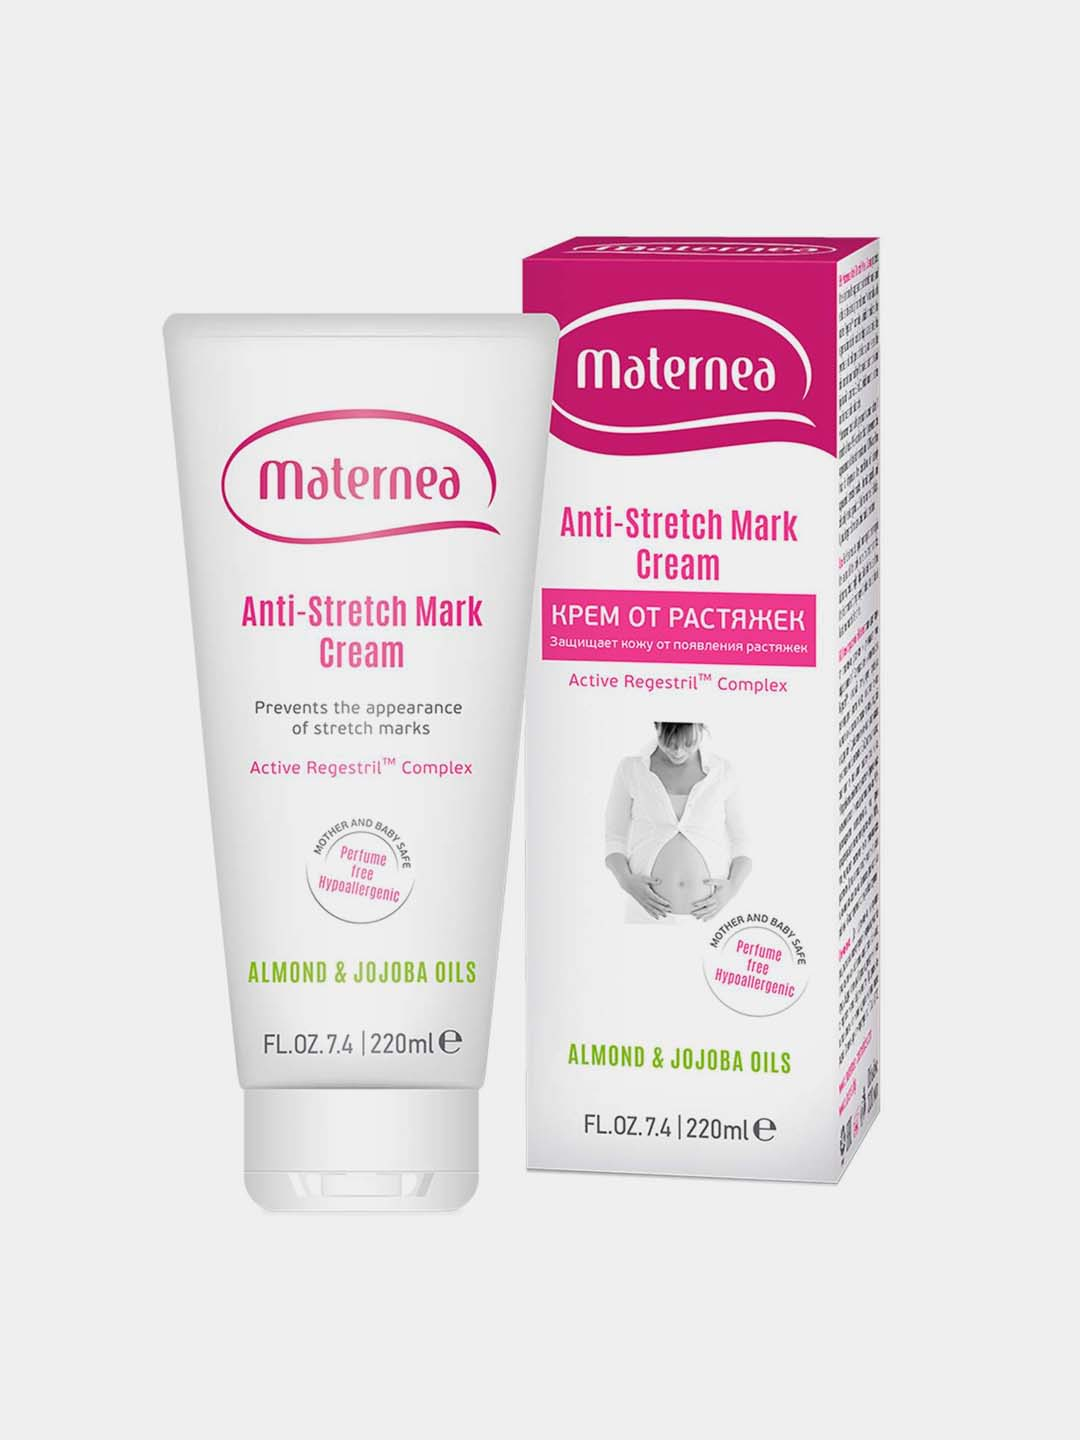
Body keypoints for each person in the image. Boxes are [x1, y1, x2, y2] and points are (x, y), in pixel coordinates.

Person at [604, 721, 752, 923]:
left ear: (701, 728)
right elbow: (614, 838)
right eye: (669, 743)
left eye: (688, 743)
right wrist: (627, 882)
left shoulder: (723, 771)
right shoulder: (631, 769)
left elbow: (743, 841)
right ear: (657, 727)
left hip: (710, 917)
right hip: (646, 915)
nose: (678, 752)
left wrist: (732, 889)